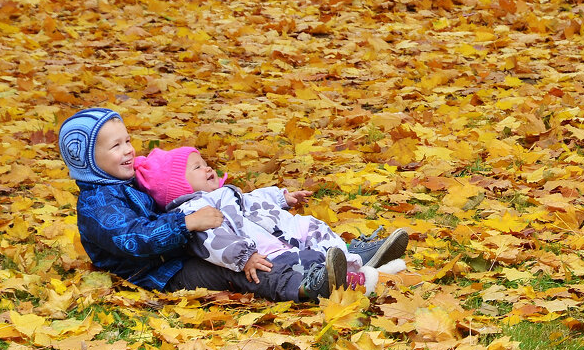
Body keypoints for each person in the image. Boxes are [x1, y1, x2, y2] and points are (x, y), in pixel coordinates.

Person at [57, 108, 404, 300]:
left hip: (180, 248)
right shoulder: (96, 204)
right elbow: (132, 239)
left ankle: (340, 259)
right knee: (236, 270)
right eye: (116, 147)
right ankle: (304, 286)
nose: (129, 150)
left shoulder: (126, 180)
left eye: (128, 140)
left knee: (262, 241)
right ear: (88, 159)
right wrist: (185, 224)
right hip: (156, 272)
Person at [133, 145, 409, 293]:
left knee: (311, 227)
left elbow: (252, 200)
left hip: (281, 236)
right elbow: (212, 242)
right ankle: (344, 278)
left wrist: (281, 198)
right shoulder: (192, 212)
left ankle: (352, 257)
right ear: (178, 187)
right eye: (197, 167)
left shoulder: (223, 194)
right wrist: (243, 258)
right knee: (294, 266)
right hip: (262, 253)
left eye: (205, 163)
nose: (207, 168)